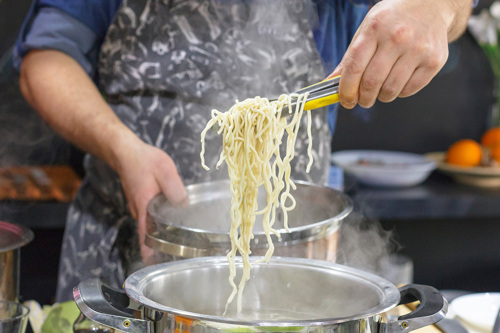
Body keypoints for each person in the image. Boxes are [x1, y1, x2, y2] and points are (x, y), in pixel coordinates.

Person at [14, 0, 474, 302]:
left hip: (293, 257)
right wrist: (122, 148)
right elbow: (45, 61)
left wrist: (433, 9)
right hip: (121, 243)